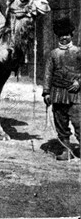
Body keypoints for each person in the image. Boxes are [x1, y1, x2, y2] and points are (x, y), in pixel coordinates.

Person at [42, 17, 81, 161]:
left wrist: (79, 82)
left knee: (79, 122)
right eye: (61, 35)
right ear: (58, 36)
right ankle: (66, 150)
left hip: (76, 94)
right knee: (61, 123)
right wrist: (46, 92)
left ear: (72, 35)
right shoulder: (53, 54)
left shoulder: (78, 52)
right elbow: (48, 73)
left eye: (67, 34)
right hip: (57, 94)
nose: (64, 37)